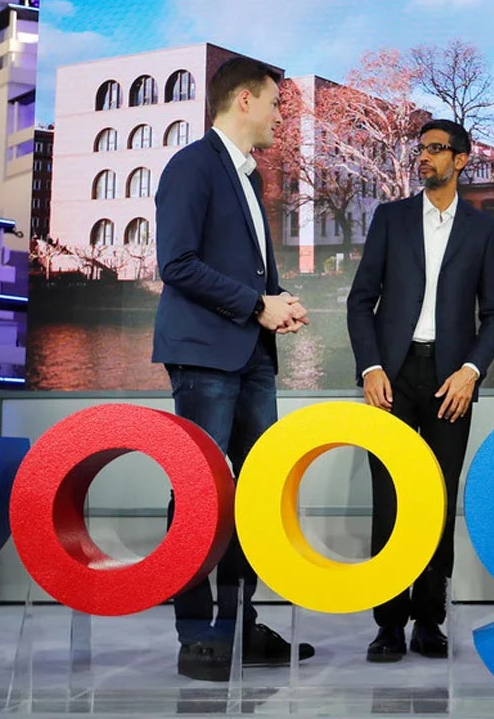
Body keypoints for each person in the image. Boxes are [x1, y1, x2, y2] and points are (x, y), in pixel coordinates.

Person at [153, 56, 313, 681]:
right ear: (243, 101)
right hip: (205, 357)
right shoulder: (191, 165)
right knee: (199, 491)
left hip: (250, 359)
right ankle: (197, 637)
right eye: (276, 103)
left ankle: (238, 628)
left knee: (251, 493)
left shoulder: (248, 179)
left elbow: (244, 271)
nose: (281, 115)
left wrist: (279, 302)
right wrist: (257, 304)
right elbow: (177, 263)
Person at [345, 118, 494, 662]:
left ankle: (429, 622)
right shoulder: (390, 219)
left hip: (451, 383)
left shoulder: (483, 230)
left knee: (437, 500)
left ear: (462, 160)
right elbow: (359, 300)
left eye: (437, 150)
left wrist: (471, 371)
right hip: (389, 378)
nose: (425, 158)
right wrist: (370, 367)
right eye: (421, 149)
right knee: (390, 500)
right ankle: (388, 624)